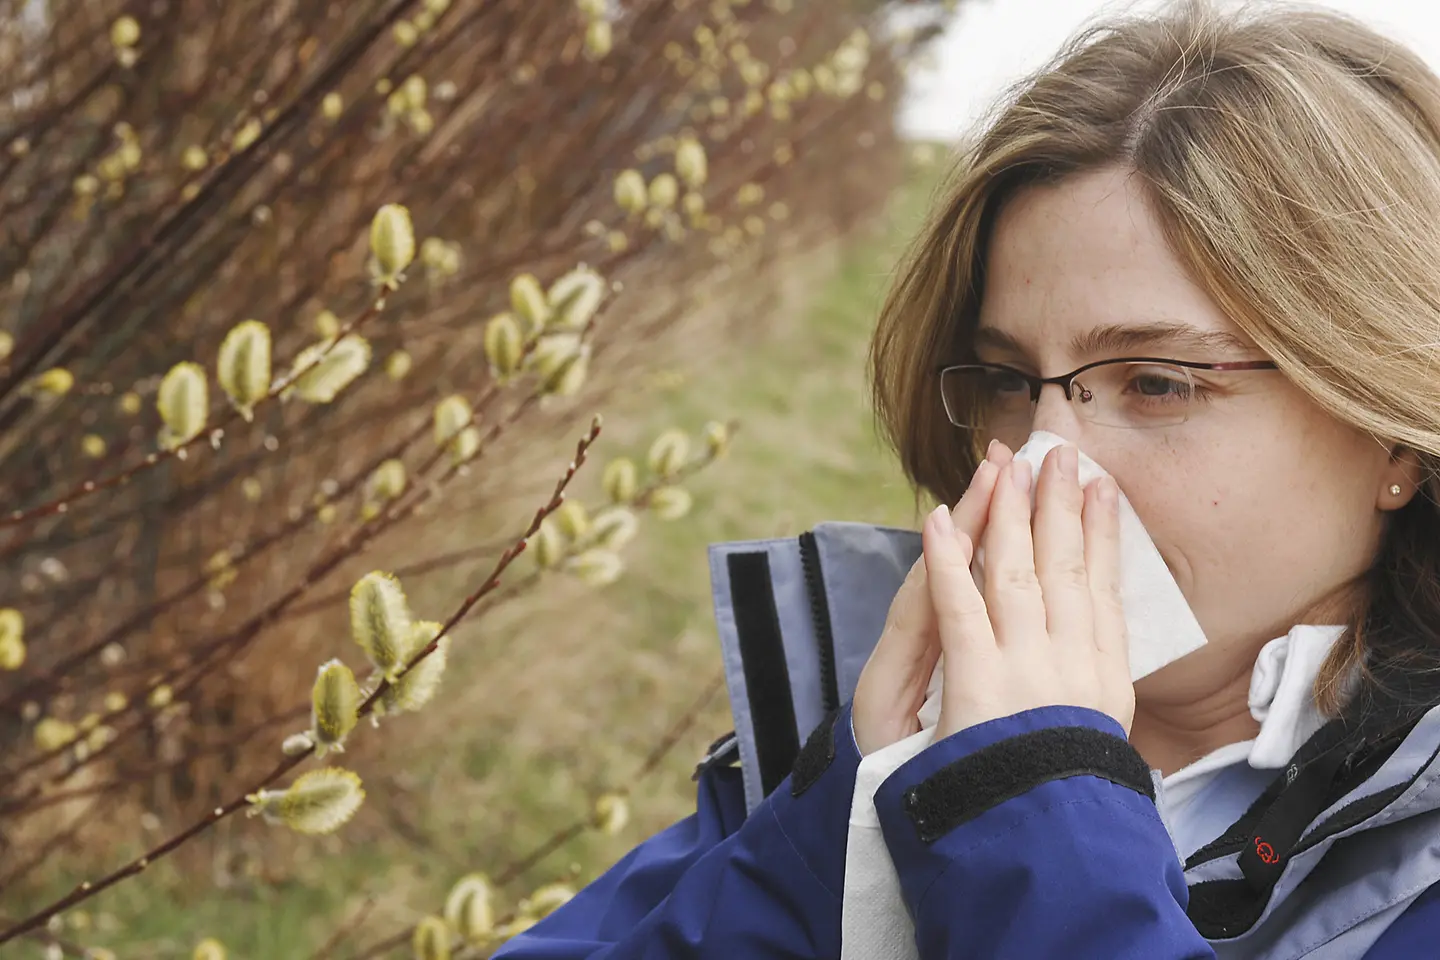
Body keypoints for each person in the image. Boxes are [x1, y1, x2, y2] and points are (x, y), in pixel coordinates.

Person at [493, 1, 1440, 956]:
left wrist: (1037, 816)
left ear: (1391, 424)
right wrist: (833, 833)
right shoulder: (871, 700)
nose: (1041, 462)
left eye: (1158, 383)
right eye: (1008, 383)